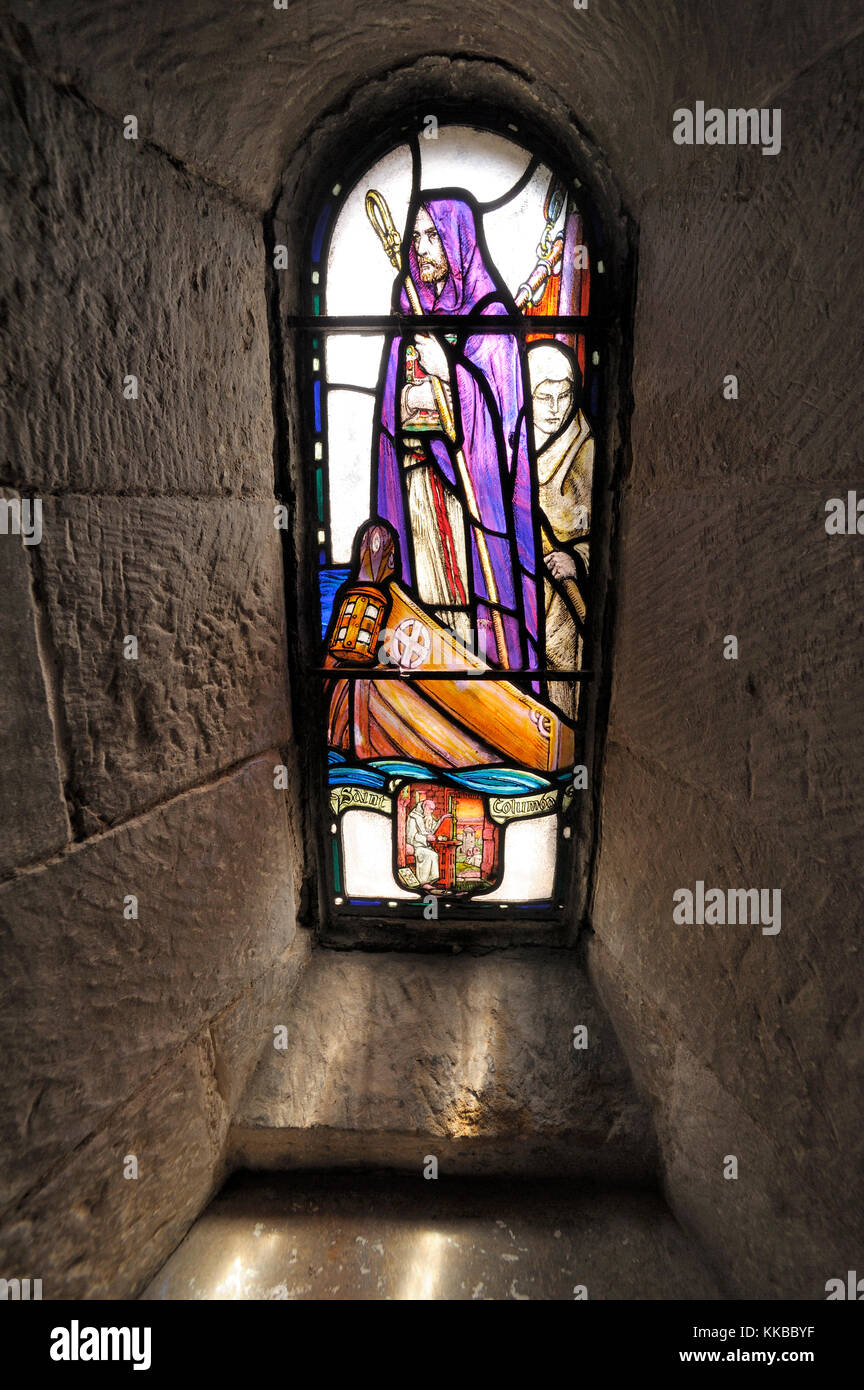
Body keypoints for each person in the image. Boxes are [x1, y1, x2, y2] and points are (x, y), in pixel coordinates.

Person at [374, 193, 541, 672]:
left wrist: (449, 370)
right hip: (417, 489)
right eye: (417, 237)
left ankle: (493, 678)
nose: (423, 248)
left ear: (459, 242)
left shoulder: (490, 315)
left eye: (434, 236)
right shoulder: (407, 311)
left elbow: (502, 423)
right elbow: (389, 414)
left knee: (472, 610)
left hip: (470, 501)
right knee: (428, 597)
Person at [527, 341, 594, 719]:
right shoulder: (510, 437)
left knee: (560, 669)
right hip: (522, 581)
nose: (555, 408)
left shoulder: (585, 448)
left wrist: (576, 559)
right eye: (544, 396)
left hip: (564, 595)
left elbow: (598, 533)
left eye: (564, 396)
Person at [404, 797, 447, 889]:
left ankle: (431, 881)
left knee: (434, 855)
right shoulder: (413, 817)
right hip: (416, 846)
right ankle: (423, 883)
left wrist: (442, 819)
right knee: (429, 855)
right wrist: (426, 838)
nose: (431, 811)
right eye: (430, 809)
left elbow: (433, 828)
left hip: (425, 846)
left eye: (433, 809)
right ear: (424, 806)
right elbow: (411, 836)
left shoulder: (428, 816)